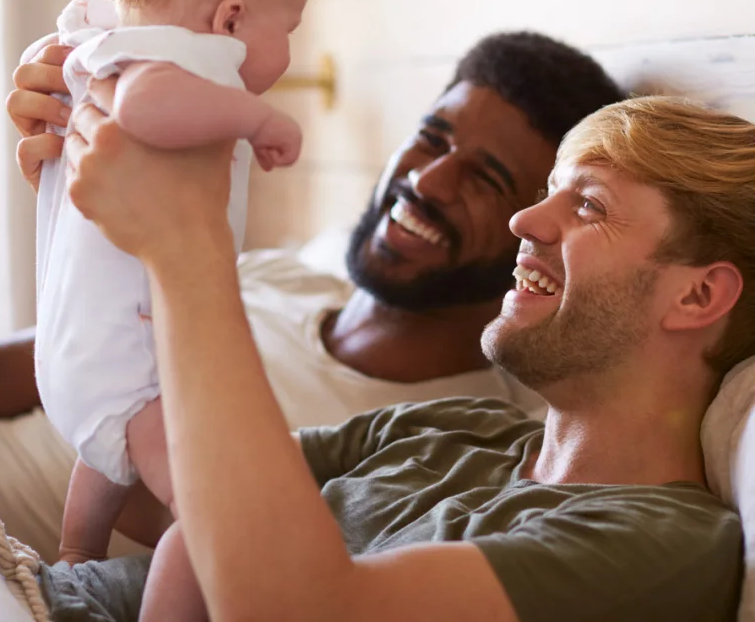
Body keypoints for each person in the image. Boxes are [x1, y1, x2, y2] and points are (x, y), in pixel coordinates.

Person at [0, 31, 622, 562]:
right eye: (433, 137)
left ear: (535, 228)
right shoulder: (277, 275)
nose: (427, 179)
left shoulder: (455, 435)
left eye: (485, 178)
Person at [41, 94, 752, 621]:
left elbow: (298, 609)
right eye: (547, 195)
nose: (525, 222)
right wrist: (90, 221)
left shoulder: (662, 546)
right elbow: (168, 490)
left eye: (589, 206)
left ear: (698, 297)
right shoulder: (459, 429)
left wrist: (185, 252)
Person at [36, 0, 307, 622]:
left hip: (93, 357)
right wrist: (256, 120)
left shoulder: (113, 42)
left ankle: (75, 559)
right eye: (289, 30)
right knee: (208, 512)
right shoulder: (181, 65)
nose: (288, 55)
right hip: (121, 352)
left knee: (115, 450)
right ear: (229, 20)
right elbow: (149, 106)